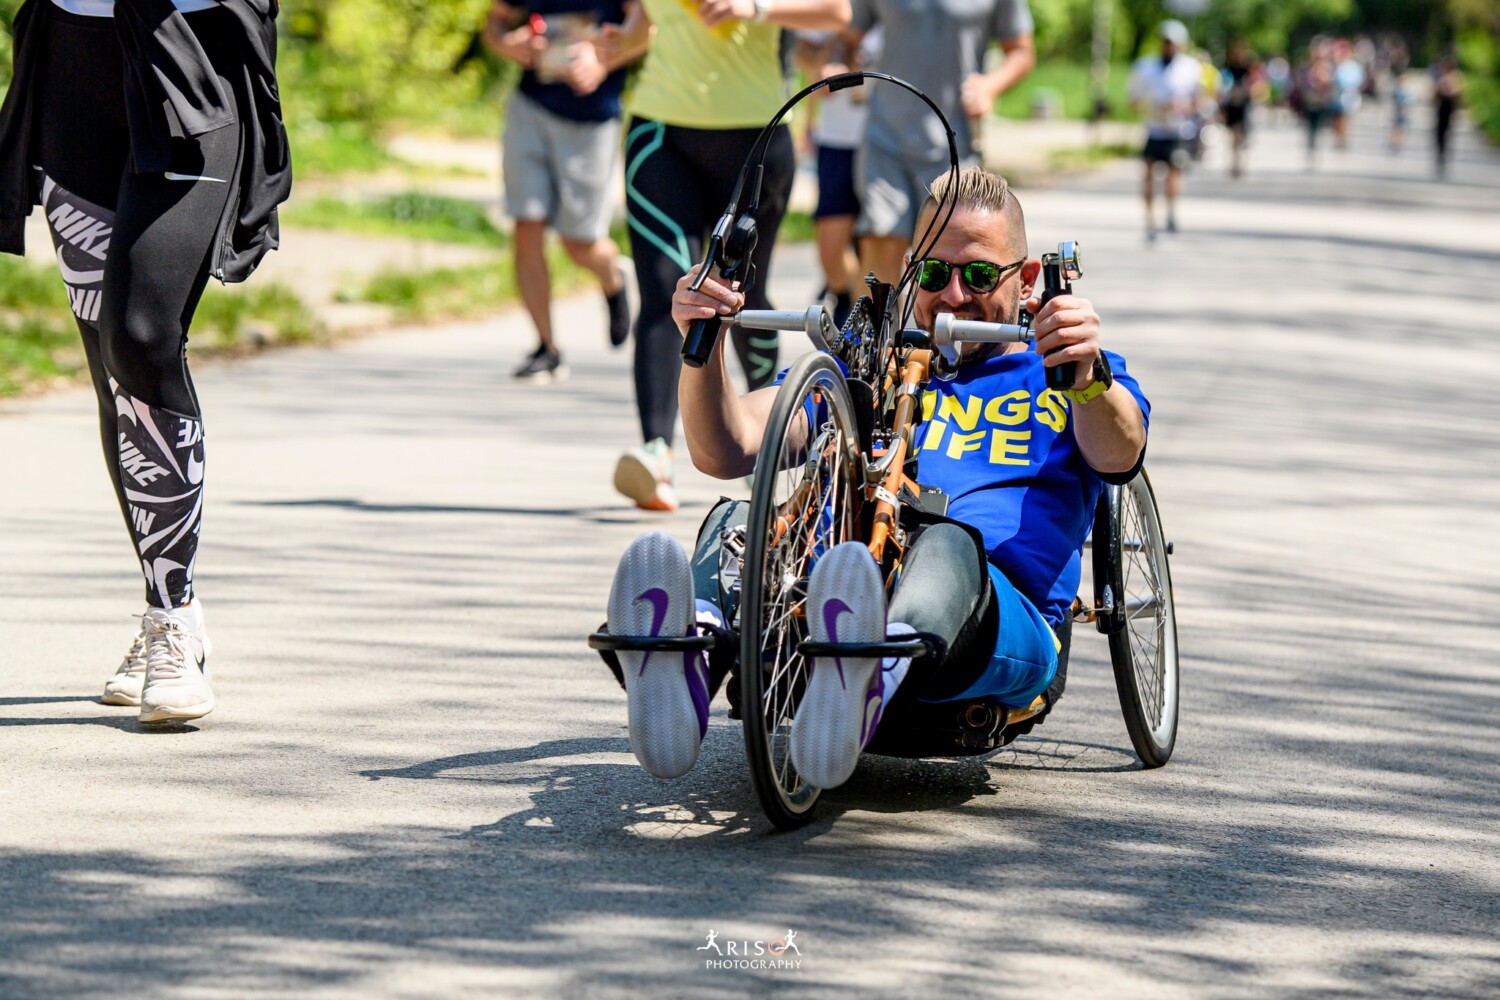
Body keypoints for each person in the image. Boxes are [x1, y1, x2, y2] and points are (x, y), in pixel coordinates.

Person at [598, 167, 1149, 788]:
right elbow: (729, 448)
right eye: (936, 275)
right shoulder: (868, 365)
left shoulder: (1065, 372)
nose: (956, 297)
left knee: (943, 542)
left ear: (1026, 282)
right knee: (734, 523)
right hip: (830, 598)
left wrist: (1086, 376)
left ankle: (870, 669)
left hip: (990, 624)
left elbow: (1120, 454)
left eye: (978, 275)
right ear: (913, 270)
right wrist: (704, 341)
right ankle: (686, 660)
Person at [0, 0, 291, 724]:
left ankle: (175, 621)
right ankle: (165, 611)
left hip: (192, 62)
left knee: (140, 334)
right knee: (110, 365)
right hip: (72, 64)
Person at [599, 0, 851, 512]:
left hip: (756, 132)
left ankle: (764, 430)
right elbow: (648, 22)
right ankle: (656, 452)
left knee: (742, 294)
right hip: (659, 132)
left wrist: (755, 7)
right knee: (669, 287)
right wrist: (615, 47)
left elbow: (836, 12)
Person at [484, 0, 648, 382]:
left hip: (591, 121)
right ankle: (547, 348)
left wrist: (603, 63)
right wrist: (508, 44)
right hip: (530, 108)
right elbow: (494, 25)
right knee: (527, 225)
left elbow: (650, 31)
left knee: (579, 244)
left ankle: (613, 278)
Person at [849, 0, 1034, 285]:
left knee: (948, 259)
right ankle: (876, 329)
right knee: (881, 240)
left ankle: (943, 329)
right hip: (885, 133)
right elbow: (848, 33)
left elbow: (1022, 51)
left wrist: (990, 86)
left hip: (955, 144)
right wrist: (837, 63)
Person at [794, 26, 877, 327]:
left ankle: (862, 315)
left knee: (874, 240)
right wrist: (830, 52)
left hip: (882, 144)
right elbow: (801, 51)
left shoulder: (891, 13)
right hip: (835, 142)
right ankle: (844, 297)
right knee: (830, 242)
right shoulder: (834, 13)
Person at [1128, 19, 1202, 241]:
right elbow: (1132, 101)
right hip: (1154, 127)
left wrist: (1183, 107)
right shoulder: (1145, 67)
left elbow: (1197, 101)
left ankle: (1170, 210)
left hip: (1176, 129)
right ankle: (1150, 216)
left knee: (1174, 173)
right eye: (1166, 42)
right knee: (1148, 173)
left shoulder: (1190, 68)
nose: (1169, 46)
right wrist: (1152, 107)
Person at [1220, 39, 1258, 179]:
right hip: (1231, 105)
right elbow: (1223, 87)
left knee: (1241, 135)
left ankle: (1240, 163)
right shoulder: (1228, 68)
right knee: (1232, 136)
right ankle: (1234, 163)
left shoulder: (1247, 68)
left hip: (1243, 105)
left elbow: (1255, 84)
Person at [1433, 56, 1463, 178]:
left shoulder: (1455, 77)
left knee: (1446, 132)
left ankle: (1444, 155)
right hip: (1442, 109)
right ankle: (1441, 154)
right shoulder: (1442, 78)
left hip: (1449, 108)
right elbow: (1435, 94)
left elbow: (1457, 93)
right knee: (1439, 133)